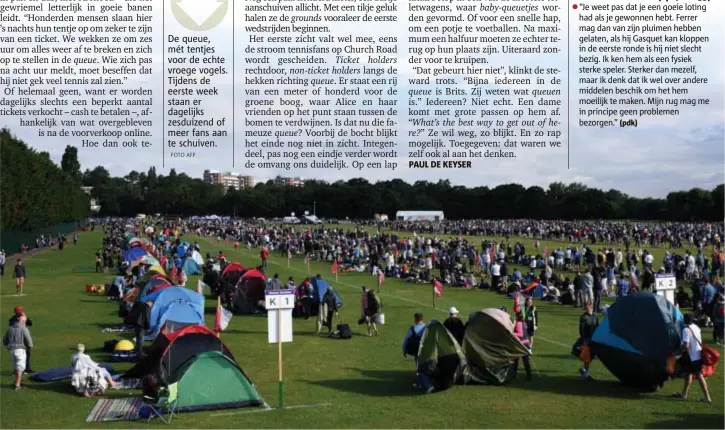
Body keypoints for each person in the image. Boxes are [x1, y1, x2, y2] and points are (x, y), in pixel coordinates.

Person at [674, 314, 712, 403]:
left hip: (692, 356)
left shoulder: (686, 330)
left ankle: (707, 397)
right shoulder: (696, 327)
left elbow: (686, 345)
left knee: (698, 375)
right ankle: (684, 394)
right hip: (698, 354)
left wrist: (678, 352)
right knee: (688, 373)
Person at [402, 313, 433, 393]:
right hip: (426, 351)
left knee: (420, 368)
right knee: (423, 367)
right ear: (422, 319)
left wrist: (404, 350)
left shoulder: (412, 328)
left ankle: (429, 385)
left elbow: (406, 340)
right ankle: (419, 383)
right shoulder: (427, 327)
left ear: (415, 319)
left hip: (416, 351)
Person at [3, 314, 33, 390]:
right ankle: (17, 385)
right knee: (20, 367)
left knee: (16, 366)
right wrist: (29, 347)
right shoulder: (23, 328)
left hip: (11, 350)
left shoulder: (10, 328)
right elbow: (29, 341)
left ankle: (16, 381)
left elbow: (4, 341)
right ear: (21, 320)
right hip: (20, 350)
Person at [8, 306, 34, 373]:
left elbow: (30, 323)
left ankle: (26, 368)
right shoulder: (13, 319)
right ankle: (19, 369)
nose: (19, 312)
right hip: (18, 339)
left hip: (23, 337)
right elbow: (12, 326)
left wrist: (25, 318)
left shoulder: (22, 317)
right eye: (19, 311)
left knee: (27, 353)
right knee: (19, 354)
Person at [578, 301, 599, 380]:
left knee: (592, 357)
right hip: (587, 339)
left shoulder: (595, 315)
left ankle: (583, 370)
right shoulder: (583, 317)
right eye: (586, 306)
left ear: (591, 306)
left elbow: (597, 326)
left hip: (594, 338)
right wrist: (584, 339)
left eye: (588, 306)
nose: (587, 308)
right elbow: (581, 329)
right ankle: (585, 372)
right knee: (587, 357)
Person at [514, 312, 533, 380]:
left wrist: (512, 333)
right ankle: (529, 375)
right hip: (526, 343)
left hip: (521, 344)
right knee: (526, 361)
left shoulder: (518, 323)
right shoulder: (524, 323)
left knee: (515, 360)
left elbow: (520, 334)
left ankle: (514, 374)